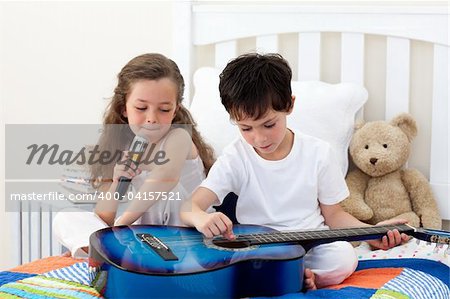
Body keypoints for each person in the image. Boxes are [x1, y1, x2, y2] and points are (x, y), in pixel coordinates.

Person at [180, 53, 409, 291]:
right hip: (260, 250)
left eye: (269, 124)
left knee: (343, 257)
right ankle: (290, 278)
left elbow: (334, 217)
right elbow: (188, 207)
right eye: (246, 128)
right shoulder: (236, 157)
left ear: (289, 105)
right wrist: (202, 217)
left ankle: (309, 279)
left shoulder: (319, 153)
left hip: (312, 245)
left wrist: (372, 233)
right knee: (226, 266)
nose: (259, 138)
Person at [53, 53, 214, 258]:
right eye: (141, 108)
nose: (151, 118)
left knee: (166, 192)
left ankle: (105, 249)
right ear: (124, 109)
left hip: (187, 235)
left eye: (164, 109)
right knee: (65, 217)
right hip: (144, 237)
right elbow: (104, 218)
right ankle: (105, 251)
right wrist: (116, 184)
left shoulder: (179, 137)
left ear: (175, 111)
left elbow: (166, 178)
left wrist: (120, 226)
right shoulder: (126, 146)